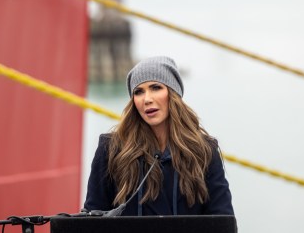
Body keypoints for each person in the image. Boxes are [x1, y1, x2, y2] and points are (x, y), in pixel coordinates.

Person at [84, 56, 234, 216]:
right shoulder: (111, 149)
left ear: (173, 93)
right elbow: (92, 218)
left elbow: (223, 219)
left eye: (156, 87)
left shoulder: (204, 151)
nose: (147, 99)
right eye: (139, 92)